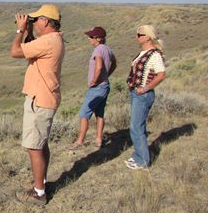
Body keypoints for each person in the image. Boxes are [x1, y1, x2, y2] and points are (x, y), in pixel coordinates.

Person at [10, 4, 65, 205]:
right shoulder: (53, 39)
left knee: (34, 147)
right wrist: (30, 31)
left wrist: (20, 30)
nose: (32, 22)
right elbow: (31, 48)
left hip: (39, 100)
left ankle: (39, 193)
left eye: (35, 20)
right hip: (45, 98)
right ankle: (40, 182)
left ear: (45, 21)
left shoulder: (48, 41)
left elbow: (15, 51)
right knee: (41, 144)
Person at [125, 25, 166, 170]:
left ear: (148, 37)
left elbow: (161, 74)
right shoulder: (144, 52)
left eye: (140, 34)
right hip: (137, 94)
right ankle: (139, 155)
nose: (137, 37)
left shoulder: (154, 54)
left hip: (143, 95)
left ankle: (143, 160)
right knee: (137, 127)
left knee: (136, 128)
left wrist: (145, 88)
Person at [69, 27, 117, 150]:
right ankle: (99, 139)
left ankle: (79, 141)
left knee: (84, 114)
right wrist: (107, 75)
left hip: (97, 88)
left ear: (98, 38)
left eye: (91, 37)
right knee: (99, 114)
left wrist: (94, 81)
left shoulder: (98, 50)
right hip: (105, 86)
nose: (89, 39)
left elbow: (99, 66)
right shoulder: (107, 49)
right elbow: (114, 63)